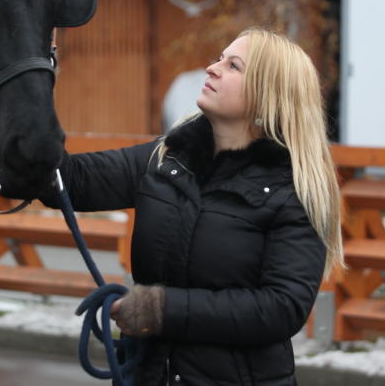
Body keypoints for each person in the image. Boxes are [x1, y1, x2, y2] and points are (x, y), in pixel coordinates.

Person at [41, 27, 344, 385]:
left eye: (234, 66)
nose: (212, 68)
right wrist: (27, 95)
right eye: (219, 59)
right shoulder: (165, 157)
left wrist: (159, 309)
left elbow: (279, 309)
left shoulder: (295, 190)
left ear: (269, 93)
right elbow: (66, 181)